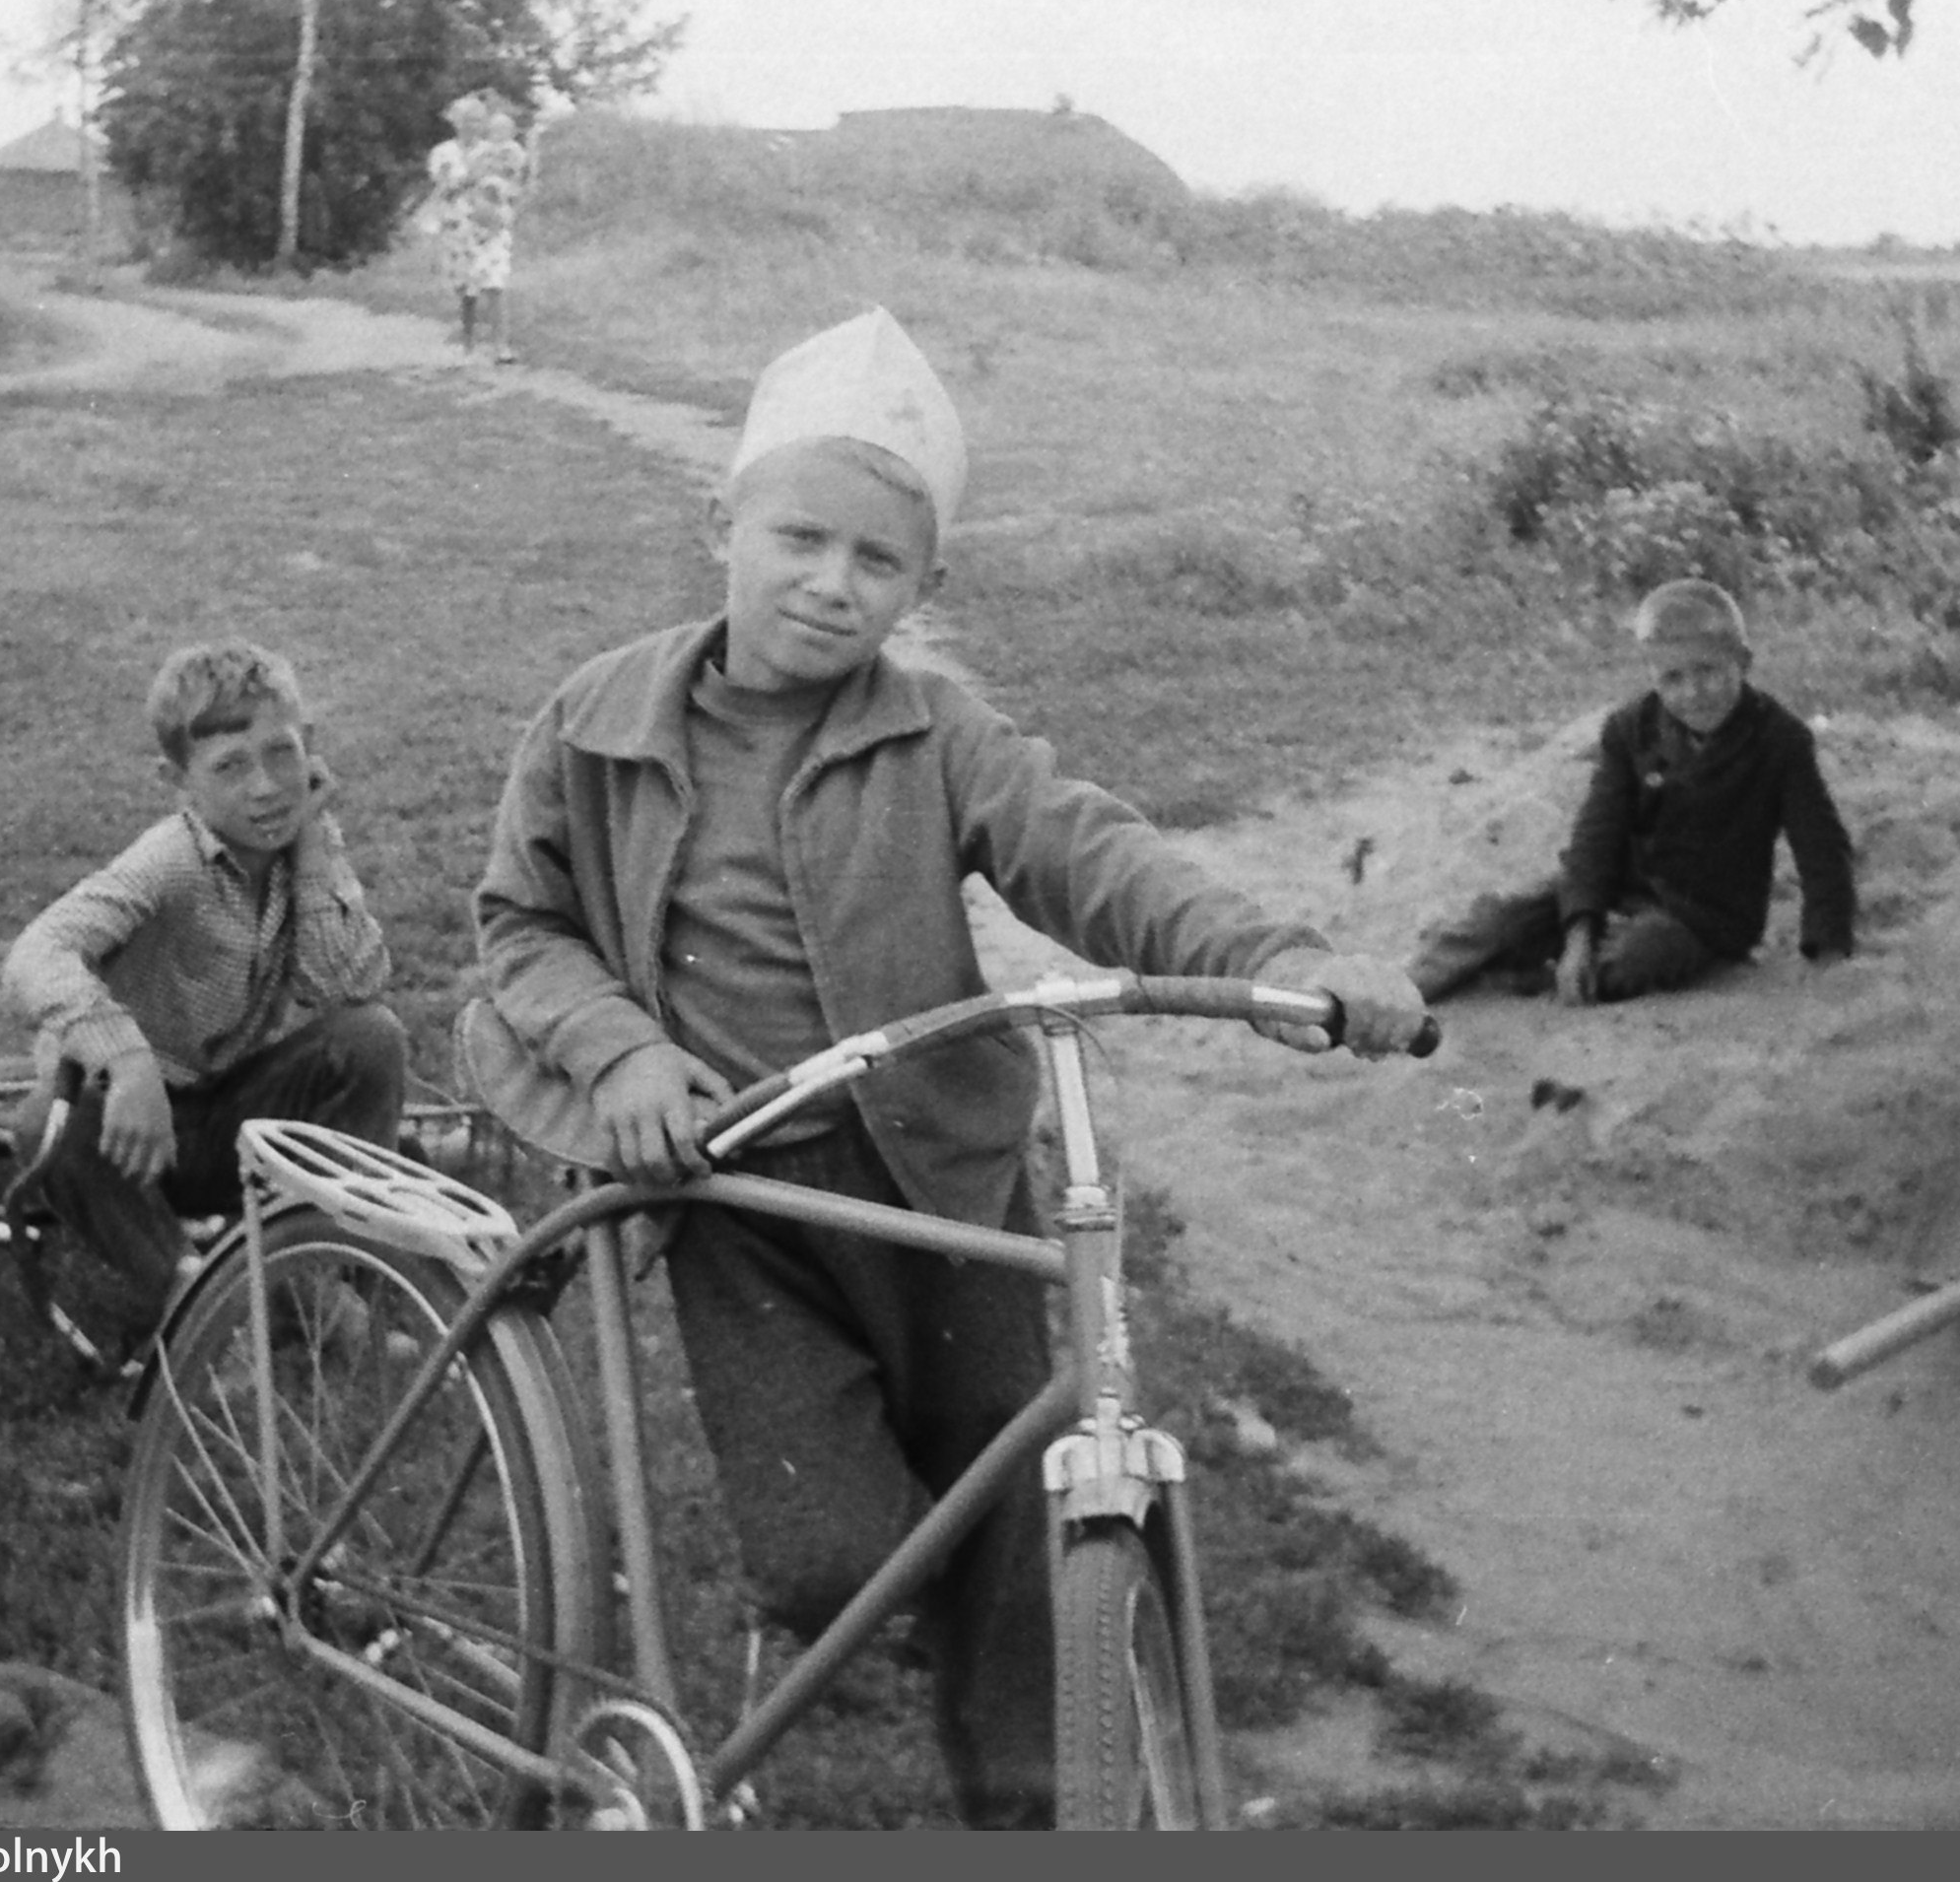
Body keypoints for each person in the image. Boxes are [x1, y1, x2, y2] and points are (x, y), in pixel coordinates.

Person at [462, 306, 1433, 1828]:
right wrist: (625, 1050)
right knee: (828, 1561)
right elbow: (520, 926)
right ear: (723, 521)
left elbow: (1089, 851)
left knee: (1017, 1535)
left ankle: (1030, 1811)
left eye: (879, 564)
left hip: (952, 1192)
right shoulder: (595, 724)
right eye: (800, 538)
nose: (831, 586)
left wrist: (1278, 961)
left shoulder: (936, 734)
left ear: (927, 585)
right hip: (746, 1206)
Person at [1, 639, 407, 1335]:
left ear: (309, 745)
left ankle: (309, 1276)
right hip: (135, 1135)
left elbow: (353, 981)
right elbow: (36, 952)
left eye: (282, 754)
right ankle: (198, 1301)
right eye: (230, 767)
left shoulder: (302, 842)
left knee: (372, 1040)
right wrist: (126, 1060)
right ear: (178, 778)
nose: (266, 788)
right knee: (46, 1124)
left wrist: (311, 851)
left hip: (225, 1111)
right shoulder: (170, 861)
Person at [1411, 577, 1856, 1007]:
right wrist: (1581, 931)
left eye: (1709, 671)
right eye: (1673, 679)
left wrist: (1828, 946)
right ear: (1653, 676)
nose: (1694, 692)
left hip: (1704, 915)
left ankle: (1544, 974)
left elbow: (1821, 847)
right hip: (1622, 885)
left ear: (1743, 661)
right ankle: (1396, 990)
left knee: (1635, 959)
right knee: (1499, 921)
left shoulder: (1780, 740)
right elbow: (1596, 834)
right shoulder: (1630, 730)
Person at [427, 91, 532, 365]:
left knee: (495, 283)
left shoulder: (497, 148)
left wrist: (507, 190)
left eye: (478, 120)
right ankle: (468, 340)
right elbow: (443, 189)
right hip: (459, 226)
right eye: (467, 120)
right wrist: (468, 178)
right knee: (466, 288)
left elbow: (513, 182)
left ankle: (501, 346)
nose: (473, 125)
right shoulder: (443, 152)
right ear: (456, 122)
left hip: (492, 225)